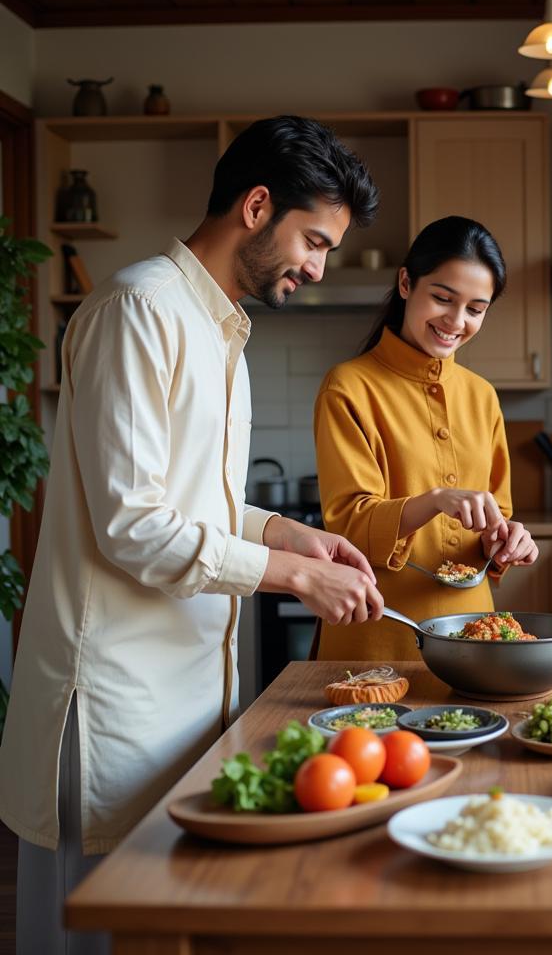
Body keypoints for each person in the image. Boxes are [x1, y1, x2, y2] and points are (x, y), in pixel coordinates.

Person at [0, 115, 385, 955]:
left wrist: (291, 533)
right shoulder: (140, 307)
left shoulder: (223, 329)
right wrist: (289, 576)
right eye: (313, 241)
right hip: (112, 695)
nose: (316, 269)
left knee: (160, 921)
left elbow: (195, 502)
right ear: (256, 206)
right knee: (94, 931)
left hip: (182, 694)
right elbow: (134, 525)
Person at [313, 215, 538, 661]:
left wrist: (507, 541)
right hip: (376, 634)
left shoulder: (482, 396)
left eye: (476, 309)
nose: (456, 321)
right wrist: (434, 499)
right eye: (442, 298)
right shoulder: (348, 387)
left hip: (475, 640)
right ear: (405, 283)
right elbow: (348, 527)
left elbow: (497, 515)